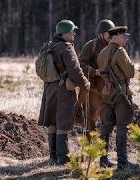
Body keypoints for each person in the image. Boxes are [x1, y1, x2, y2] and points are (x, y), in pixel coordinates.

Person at [38, 19, 90, 165]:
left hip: (49, 89)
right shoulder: (66, 48)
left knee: (53, 122)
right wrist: (85, 83)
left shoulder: (51, 46)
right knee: (63, 122)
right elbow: (75, 70)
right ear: (65, 33)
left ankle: (53, 157)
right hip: (63, 90)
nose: (74, 34)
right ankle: (63, 158)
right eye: (72, 31)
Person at [97, 26, 140, 170]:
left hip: (106, 93)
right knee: (122, 127)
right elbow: (130, 72)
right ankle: (122, 162)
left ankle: (103, 160)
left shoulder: (103, 52)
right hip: (121, 94)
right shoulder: (120, 52)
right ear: (114, 37)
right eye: (123, 36)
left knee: (105, 128)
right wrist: (134, 67)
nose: (126, 38)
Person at [77, 19, 115, 132]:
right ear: (101, 34)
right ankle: (90, 147)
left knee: (108, 119)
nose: (111, 35)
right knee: (90, 120)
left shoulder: (114, 47)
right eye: (109, 33)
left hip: (109, 89)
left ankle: (104, 145)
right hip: (93, 90)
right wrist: (95, 71)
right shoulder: (91, 46)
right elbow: (80, 64)